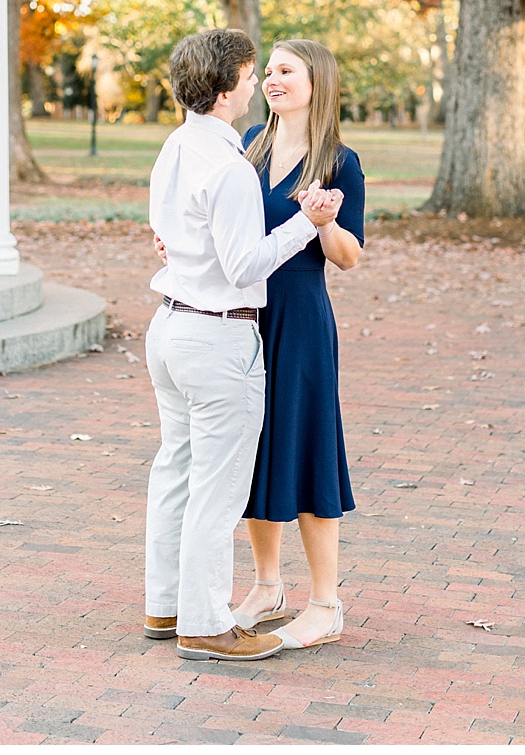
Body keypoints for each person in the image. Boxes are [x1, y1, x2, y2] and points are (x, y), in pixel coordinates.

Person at [143, 29, 343, 662]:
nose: (258, 84)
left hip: (170, 324)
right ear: (227, 88)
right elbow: (243, 265)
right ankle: (204, 625)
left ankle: (165, 605)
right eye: (253, 75)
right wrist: (304, 225)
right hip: (216, 335)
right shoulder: (230, 166)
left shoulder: (176, 147)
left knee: (175, 470)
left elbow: (169, 233)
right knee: (215, 487)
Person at [228, 40, 365, 650]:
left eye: (286, 71)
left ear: (317, 81)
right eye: (270, 72)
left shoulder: (340, 161)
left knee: (307, 445)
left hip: (301, 316)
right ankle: (266, 585)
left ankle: (326, 603)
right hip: (243, 311)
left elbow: (350, 257)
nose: (272, 80)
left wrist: (325, 220)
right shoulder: (249, 144)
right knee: (252, 442)